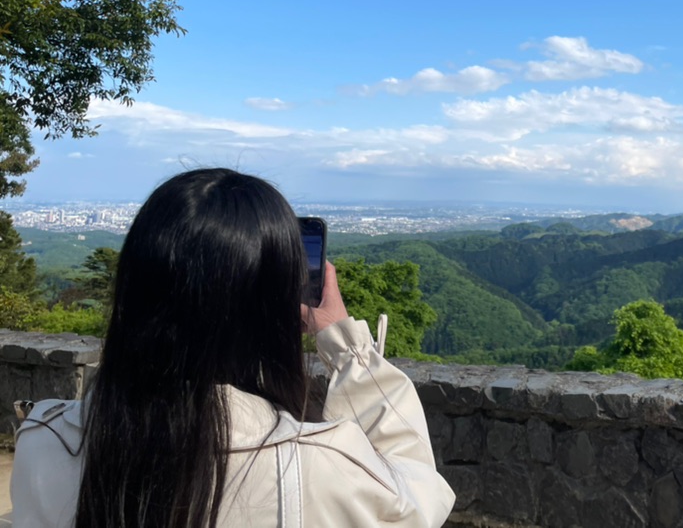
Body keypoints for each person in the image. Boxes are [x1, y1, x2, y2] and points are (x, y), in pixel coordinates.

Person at [11, 168, 455, 527]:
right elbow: (419, 492)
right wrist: (346, 346)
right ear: (273, 309)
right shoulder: (322, 467)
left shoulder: (46, 440)